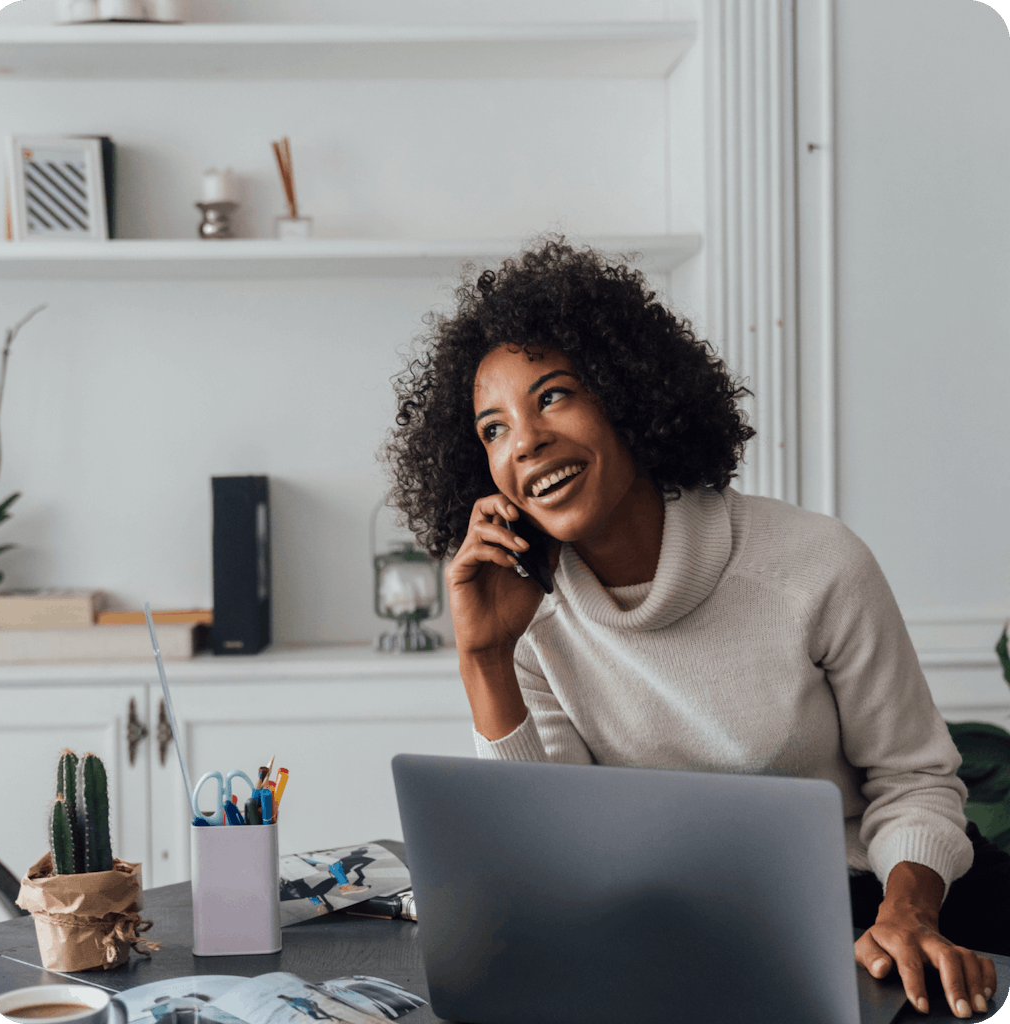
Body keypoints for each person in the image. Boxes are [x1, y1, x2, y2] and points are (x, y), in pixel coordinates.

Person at [382, 237, 1010, 1017]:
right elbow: (553, 853)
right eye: (493, 429)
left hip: (879, 916)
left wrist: (905, 912)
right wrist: (486, 657)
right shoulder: (533, 614)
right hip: (683, 938)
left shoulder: (815, 566)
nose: (526, 441)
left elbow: (914, 779)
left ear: (627, 395)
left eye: (552, 396)